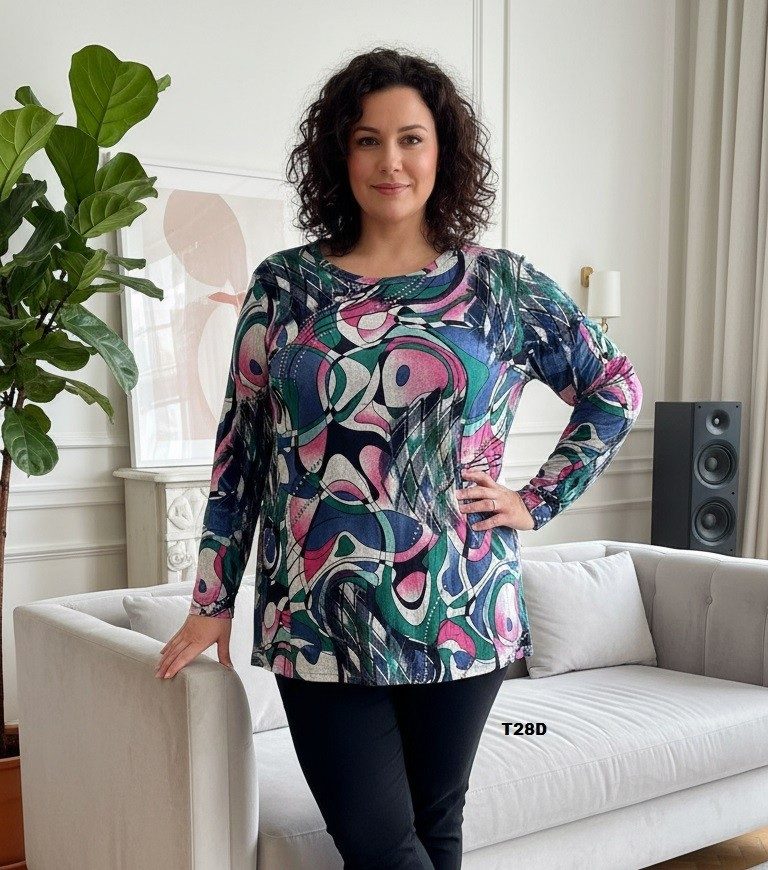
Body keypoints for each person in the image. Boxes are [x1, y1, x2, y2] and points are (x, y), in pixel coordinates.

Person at [154, 47, 643, 870]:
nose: (391, 161)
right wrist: (213, 599)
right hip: (315, 612)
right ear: (338, 154)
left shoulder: (500, 286)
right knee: (379, 843)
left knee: (433, 829)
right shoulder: (283, 288)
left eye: (411, 139)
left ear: (442, 151)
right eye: (367, 140)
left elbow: (614, 387)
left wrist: (536, 500)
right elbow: (241, 453)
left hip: (461, 605)